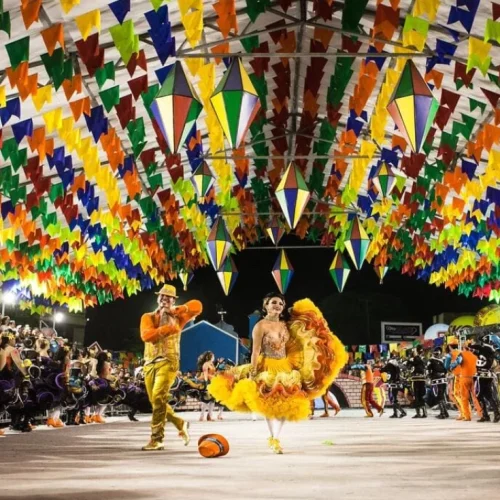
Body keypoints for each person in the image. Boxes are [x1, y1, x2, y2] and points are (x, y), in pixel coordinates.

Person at [209, 293, 347, 454]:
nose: (277, 305)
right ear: (265, 306)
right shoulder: (260, 326)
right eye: (273, 302)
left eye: (280, 303)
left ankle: (276, 436)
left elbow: (299, 337)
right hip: (266, 366)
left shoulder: (285, 325)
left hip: (287, 366)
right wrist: (253, 371)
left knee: (285, 406)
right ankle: (272, 437)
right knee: (268, 405)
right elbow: (255, 351)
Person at [140, 284, 203, 451]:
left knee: (159, 396)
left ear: (174, 300)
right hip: (149, 363)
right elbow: (146, 336)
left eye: (169, 297)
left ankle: (157, 439)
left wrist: (180, 309)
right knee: (155, 401)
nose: (164, 299)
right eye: (162, 296)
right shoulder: (147, 316)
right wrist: (168, 328)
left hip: (168, 361)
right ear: (157, 298)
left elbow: (197, 306)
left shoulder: (179, 317)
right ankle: (180, 423)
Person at [469, 336, 500, 423]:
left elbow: (470, 347)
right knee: (488, 395)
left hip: (481, 376)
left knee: (479, 395)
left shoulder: (481, 348)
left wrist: (472, 344)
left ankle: (485, 415)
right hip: (488, 375)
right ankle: (496, 413)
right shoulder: (493, 350)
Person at [427, 347, 449, 419]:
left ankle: (442, 413)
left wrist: (429, 378)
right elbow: (446, 370)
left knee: (439, 396)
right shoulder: (443, 360)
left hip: (436, 380)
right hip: (443, 380)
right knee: (441, 396)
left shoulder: (431, 360)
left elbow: (428, 370)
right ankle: (445, 412)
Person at [406, 346, 427, 418]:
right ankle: (423, 412)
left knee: (417, 395)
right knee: (420, 395)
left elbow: (409, 366)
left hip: (416, 379)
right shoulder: (422, 359)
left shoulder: (416, 359)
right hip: (420, 379)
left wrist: (410, 360)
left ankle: (420, 413)